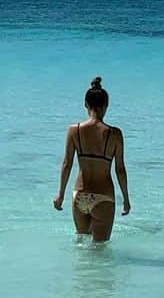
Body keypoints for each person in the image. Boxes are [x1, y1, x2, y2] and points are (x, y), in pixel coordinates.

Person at [52, 76, 130, 241]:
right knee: (100, 250)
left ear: (86, 104)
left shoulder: (74, 130)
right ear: (106, 106)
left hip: (79, 195)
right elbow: (120, 170)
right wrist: (126, 199)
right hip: (103, 196)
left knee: (81, 245)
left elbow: (67, 164)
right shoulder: (115, 134)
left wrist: (61, 195)